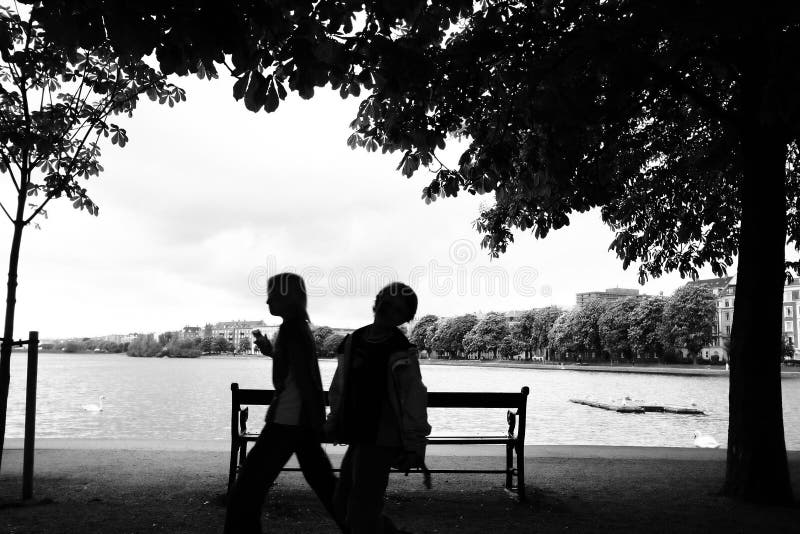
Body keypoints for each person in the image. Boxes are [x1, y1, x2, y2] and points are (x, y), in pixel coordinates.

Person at [224, 272, 343, 534]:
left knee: (245, 495)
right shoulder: (298, 327)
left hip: (286, 423)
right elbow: (298, 372)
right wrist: (271, 352)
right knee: (327, 488)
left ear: (287, 298)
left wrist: (317, 420)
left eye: (272, 295)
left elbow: (303, 379)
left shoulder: (291, 329)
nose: (267, 301)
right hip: (299, 423)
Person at [326, 282, 431, 534]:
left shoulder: (401, 351)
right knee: (342, 502)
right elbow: (340, 386)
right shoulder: (354, 341)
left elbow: (414, 397)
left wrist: (415, 443)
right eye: (386, 300)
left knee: (362, 507)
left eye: (397, 308)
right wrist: (334, 420)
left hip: (383, 437)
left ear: (405, 317)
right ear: (377, 301)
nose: (388, 307)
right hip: (358, 435)